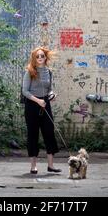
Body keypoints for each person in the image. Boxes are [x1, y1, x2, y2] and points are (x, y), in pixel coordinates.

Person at [22, 46, 61, 174]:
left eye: (42, 56)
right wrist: (38, 101)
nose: (40, 58)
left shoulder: (48, 71)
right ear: (34, 58)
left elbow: (49, 89)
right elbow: (25, 91)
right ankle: (33, 166)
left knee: (49, 132)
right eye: (37, 56)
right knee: (33, 135)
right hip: (32, 105)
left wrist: (51, 94)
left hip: (45, 104)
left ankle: (51, 165)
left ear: (45, 57)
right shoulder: (29, 71)